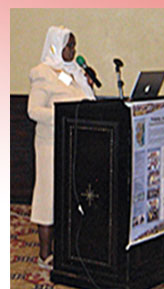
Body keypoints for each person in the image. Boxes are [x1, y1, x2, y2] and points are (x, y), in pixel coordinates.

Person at [28, 26, 95, 269]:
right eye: (69, 46)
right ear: (56, 46)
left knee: (70, 197)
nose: (73, 51)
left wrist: (85, 81)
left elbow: (81, 99)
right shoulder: (42, 72)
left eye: (74, 46)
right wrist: (63, 116)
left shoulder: (67, 73)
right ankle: (44, 254)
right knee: (47, 198)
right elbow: (33, 111)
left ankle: (67, 248)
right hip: (50, 145)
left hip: (75, 143)